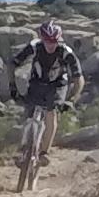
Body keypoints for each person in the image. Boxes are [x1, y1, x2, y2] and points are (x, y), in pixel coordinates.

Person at [8, 20, 85, 165]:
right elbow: (12, 64)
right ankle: (25, 148)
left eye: (54, 41)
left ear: (59, 39)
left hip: (57, 85)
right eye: (47, 41)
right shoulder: (34, 47)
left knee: (51, 112)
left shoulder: (65, 52)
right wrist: (12, 86)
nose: (50, 44)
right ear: (41, 38)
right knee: (28, 112)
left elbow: (79, 79)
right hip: (37, 82)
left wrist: (72, 99)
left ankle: (44, 152)